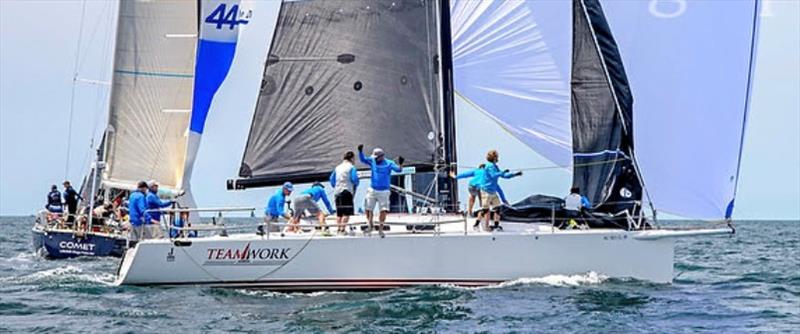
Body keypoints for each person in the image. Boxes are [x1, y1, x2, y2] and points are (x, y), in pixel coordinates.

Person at [358, 145, 403, 238]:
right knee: (368, 208)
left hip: (384, 190)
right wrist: (360, 151)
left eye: (377, 157)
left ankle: (381, 229)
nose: (375, 159)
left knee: (383, 210)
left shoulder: (389, 163)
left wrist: (401, 164)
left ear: (382, 156)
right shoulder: (372, 160)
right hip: (373, 189)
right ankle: (370, 224)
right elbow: (363, 160)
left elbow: (398, 170)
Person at [451, 164, 511, 230]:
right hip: (481, 187)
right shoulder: (489, 178)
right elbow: (499, 190)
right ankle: (486, 226)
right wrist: (504, 200)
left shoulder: (476, 171)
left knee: (472, 197)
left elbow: (465, 174)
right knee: (486, 207)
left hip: (471, 186)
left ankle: (469, 213)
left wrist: (455, 176)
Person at [479, 150, 520, 231]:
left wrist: (514, 174)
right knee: (485, 210)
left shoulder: (495, 166)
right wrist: (502, 172)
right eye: (497, 157)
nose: (498, 158)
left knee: (497, 208)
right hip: (486, 190)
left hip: (493, 191)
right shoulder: (489, 166)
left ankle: (496, 225)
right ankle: (478, 224)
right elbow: (493, 175)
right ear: (494, 158)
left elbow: (503, 176)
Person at [330, 151, 359, 234]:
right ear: (352, 158)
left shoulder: (337, 167)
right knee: (346, 212)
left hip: (337, 192)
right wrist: (356, 184)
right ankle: (343, 229)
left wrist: (335, 186)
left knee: (339, 213)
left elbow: (331, 179)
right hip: (346, 191)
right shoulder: (351, 167)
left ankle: (338, 229)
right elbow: (355, 179)